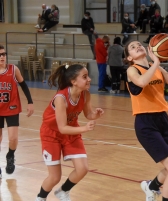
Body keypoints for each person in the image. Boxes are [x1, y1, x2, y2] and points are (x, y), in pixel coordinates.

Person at [125, 41, 168, 201]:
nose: (137, 46)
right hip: (145, 123)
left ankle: (151, 187)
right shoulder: (132, 70)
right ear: (129, 57)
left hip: (162, 120)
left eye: (139, 44)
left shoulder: (156, 67)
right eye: (132, 47)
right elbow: (142, 82)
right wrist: (157, 63)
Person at [34, 63, 104, 201]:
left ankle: (63, 191)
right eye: (84, 77)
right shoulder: (61, 98)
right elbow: (62, 128)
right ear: (73, 81)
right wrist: (84, 128)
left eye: (88, 76)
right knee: (55, 177)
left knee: (82, 169)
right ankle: (40, 198)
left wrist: (95, 114)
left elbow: (88, 113)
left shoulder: (85, 94)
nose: (89, 79)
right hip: (51, 134)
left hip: (71, 131)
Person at [0, 44, 34, 177]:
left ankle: (10, 156)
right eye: (0, 55)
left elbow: (24, 85)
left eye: (4, 54)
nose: (2, 57)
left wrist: (30, 102)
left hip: (11, 107)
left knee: (13, 138)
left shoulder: (13, 69)